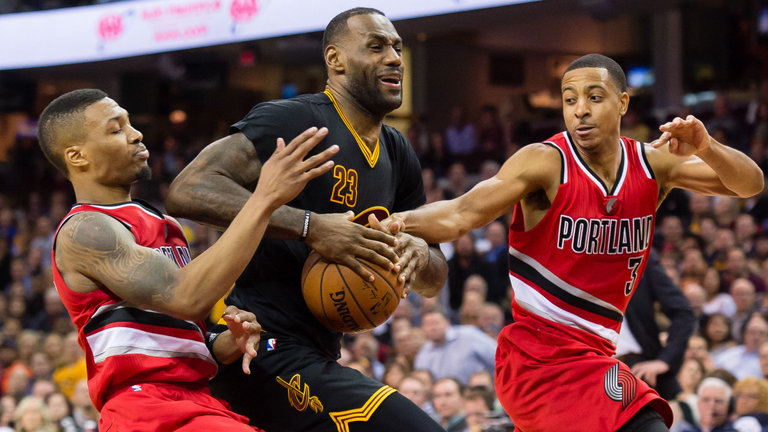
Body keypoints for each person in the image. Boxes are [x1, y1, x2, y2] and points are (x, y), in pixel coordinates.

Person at [377, 54, 764, 431]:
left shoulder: (652, 164)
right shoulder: (545, 162)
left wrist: (707, 146)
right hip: (538, 360)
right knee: (644, 420)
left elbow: (751, 184)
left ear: (622, 103)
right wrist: (393, 222)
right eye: (569, 99)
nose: (580, 109)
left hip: (595, 354)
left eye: (594, 97)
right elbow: (459, 214)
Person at [164, 7, 448, 431]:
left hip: (319, 351)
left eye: (397, 47)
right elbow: (188, 189)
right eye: (376, 46)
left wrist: (416, 254)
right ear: (335, 60)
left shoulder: (397, 151)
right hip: (258, 347)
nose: (393, 58)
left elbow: (434, 276)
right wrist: (311, 227)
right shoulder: (296, 120)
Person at [37, 89, 337, 430]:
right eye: (115, 129)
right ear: (77, 157)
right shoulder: (86, 229)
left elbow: (175, 329)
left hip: (196, 397)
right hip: (144, 406)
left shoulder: (166, 225)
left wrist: (226, 341)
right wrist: (264, 199)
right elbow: (184, 296)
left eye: (130, 123)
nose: (136, 134)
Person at [618, 249, 695, 400]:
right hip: (585, 366)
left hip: (636, 367)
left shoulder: (640, 253)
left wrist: (665, 360)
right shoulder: (568, 251)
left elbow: (683, 312)